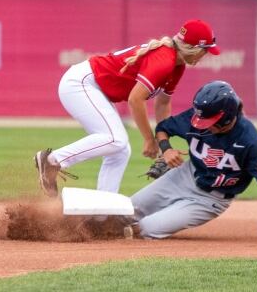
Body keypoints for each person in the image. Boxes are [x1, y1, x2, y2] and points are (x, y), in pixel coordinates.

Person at [35, 19, 220, 196]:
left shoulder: (177, 66)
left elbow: (163, 103)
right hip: (81, 83)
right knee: (116, 140)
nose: (206, 55)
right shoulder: (164, 60)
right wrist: (149, 139)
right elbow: (135, 100)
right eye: (205, 50)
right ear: (194, 48)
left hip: (94, 87)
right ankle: (53, 160)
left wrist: (164, 145)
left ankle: (103, 211)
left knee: (121, 150)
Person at [126, 80, 257, 243]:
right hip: (184, 176)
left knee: (148, 228)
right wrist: (167, 149)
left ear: (227, 117)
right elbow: (163, 128)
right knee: (126, 212)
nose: (201, 125)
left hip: (211, 199)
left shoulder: (250, 141)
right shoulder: (197, 117)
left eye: (208, 121)